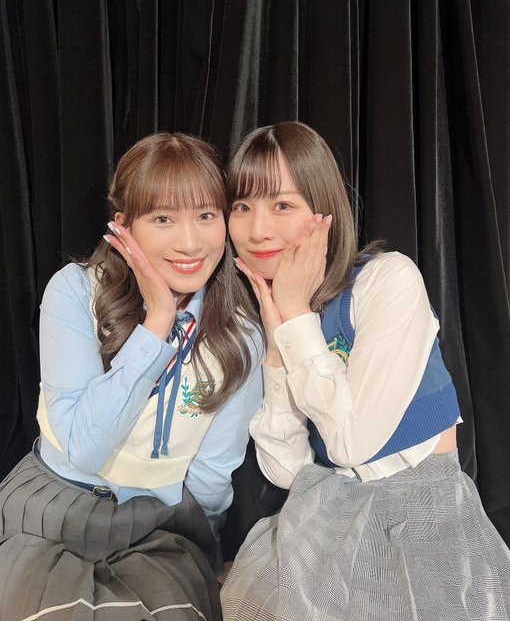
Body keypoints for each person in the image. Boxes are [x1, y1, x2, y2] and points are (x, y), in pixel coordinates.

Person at [220, 121, 510, 621]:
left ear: (323, 212)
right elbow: (287, 470)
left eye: (282, 205)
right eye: (242, 207)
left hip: (425, 524)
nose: (257, 229)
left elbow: (352, 445)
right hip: (332, 517)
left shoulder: (387, 280)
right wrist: (278, 341)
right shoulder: (272, 316)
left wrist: (295, 317)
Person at [0, 132, 263, 621]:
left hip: (158, 528)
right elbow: (83, 449)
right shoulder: (75, 291)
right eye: (163, 218)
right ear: (123, 226)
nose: (190, 242)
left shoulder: (240, 336)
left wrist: (201, 560)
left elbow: (211, 478)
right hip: (53, 511)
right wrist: (157, 322)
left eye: (206, 215)